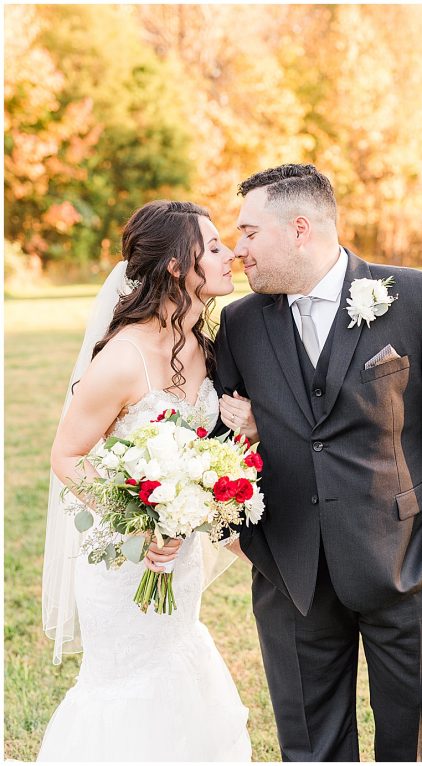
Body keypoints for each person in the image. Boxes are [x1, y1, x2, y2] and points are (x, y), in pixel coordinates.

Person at [213, 163, 422, 761]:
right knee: (309, 748)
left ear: (298, 229)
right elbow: (221, 435)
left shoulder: (416, 297)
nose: (238, 252)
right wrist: (235, 532)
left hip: (408, 560)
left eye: (248, 233)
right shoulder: (239, 323)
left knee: (404, 743)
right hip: (291, 573)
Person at [39, 200, 254, 760]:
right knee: (125, 691)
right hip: (123, 563)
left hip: (177, 559)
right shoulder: (122, 357)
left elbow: (214, 451)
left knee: (178, 668)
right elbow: (66, 455)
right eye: (212, 247)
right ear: (178, 267)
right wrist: (140, 525)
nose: (228, 253)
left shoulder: (206, 346)